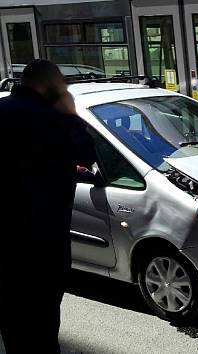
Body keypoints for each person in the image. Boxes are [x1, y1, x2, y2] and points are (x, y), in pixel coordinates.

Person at [0, 59, 97, 353]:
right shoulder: (51, 118)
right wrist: (70, 111)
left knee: (13, 322)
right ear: (49, 84)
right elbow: (87, 151)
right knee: (43, 321)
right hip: (44, 241)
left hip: (5, 243)